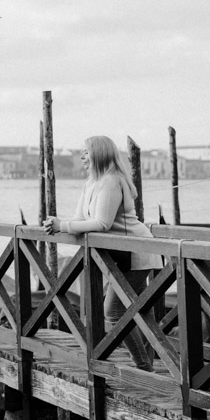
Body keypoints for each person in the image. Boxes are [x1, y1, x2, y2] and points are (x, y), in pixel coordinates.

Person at [43, 135, 162, 371]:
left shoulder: (111, 181)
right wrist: (57, 223)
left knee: (115, 311)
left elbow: (102, 224)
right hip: (123, 254)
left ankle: (144, 367)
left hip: (136, 252)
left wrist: (63, 226)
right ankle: (155, 362)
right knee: (140, 313)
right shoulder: (91, 183)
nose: (82, 157)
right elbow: (79, 219)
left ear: (99, 154)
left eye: (86, 152)